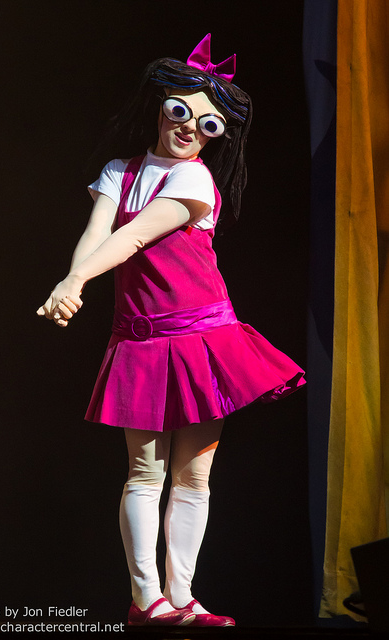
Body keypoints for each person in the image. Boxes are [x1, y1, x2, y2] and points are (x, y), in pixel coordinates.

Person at [37, 34, 306, 627]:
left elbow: (133, 237)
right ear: (161, 106)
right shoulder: (119, 171)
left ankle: (181, 598)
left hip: (203, 339)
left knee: (194, 473)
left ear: (216, 136)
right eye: (181, 111)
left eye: (207, 124)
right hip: (140, 340)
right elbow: (98, 232)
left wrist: (76, 280)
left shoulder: (195, 181)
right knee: (143, 471)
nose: (189, 128)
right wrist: (74, 279)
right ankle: (146, 600)